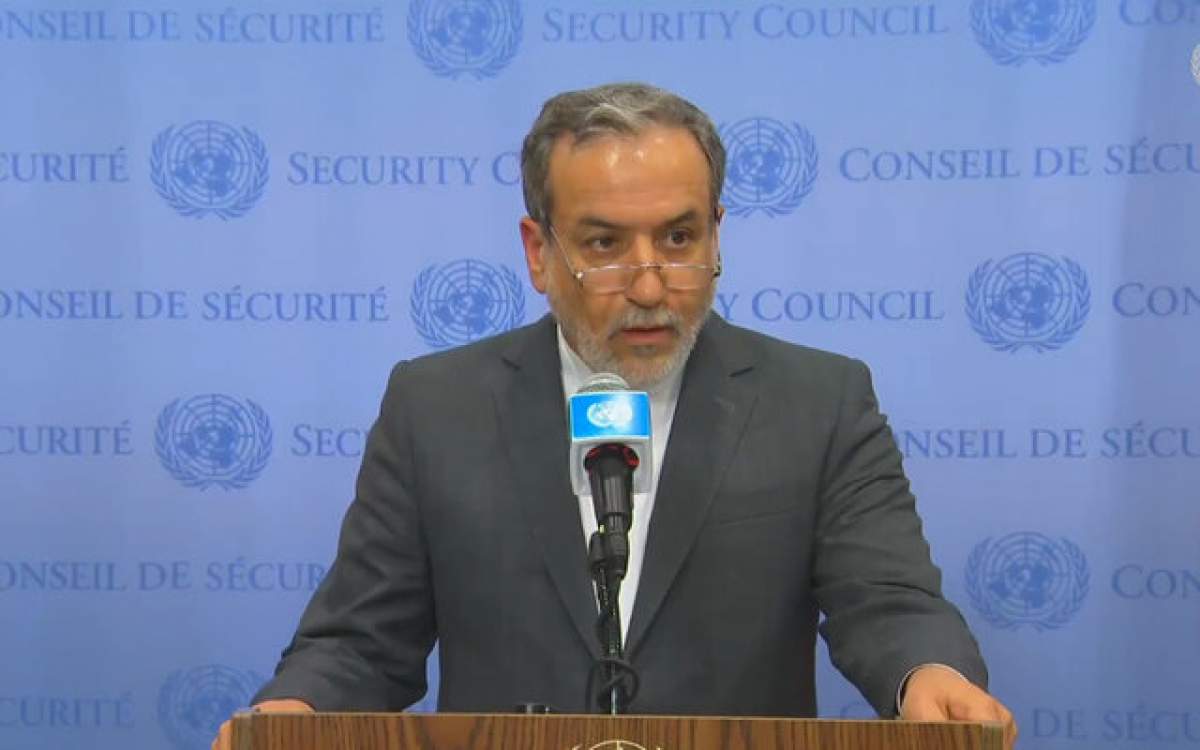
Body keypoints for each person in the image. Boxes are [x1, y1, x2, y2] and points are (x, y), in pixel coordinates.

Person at [213, 82, 1016, 749]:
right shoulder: (437, 407)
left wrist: (927, 673)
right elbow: (362, 639)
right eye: (603, 244)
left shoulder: (818, 402)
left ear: (718, 234)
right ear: (539, 252)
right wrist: (296, 714)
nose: (648, 283)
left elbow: (889, 601)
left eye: (678, 237)